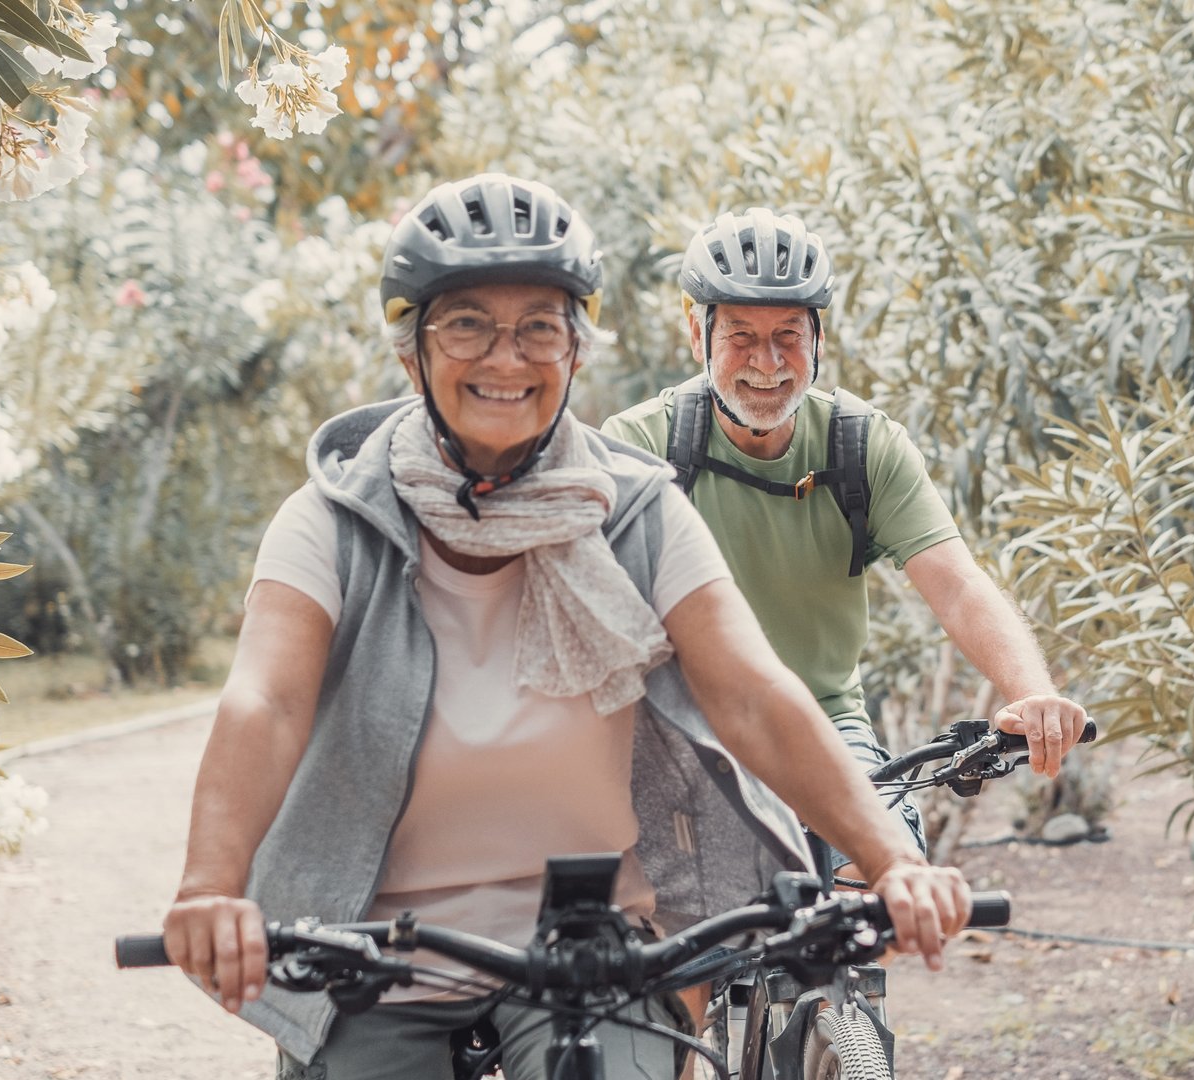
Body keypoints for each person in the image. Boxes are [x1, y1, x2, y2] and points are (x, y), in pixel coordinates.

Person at [159, 175, 972, 1080]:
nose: (506, 358)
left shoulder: (636, 512)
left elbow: (751, 694)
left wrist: (892, 859)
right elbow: (266, 702)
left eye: (539, 327)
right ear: (411, 352)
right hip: (374, 949)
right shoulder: (336, 516)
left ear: (576, 350)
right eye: (467, 323)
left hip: (595, 947)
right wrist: (209, 888)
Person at [602, 207, 1090, 871]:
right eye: (741, 336)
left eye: (789, 336)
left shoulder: (860, 446)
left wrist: (1030, 693)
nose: (768, 363)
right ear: (697, 333)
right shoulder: (639, 447)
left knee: (887, 881)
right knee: (671, 933)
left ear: (819, 340)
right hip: (681, 734)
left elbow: (956, 582)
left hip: (827, 728)